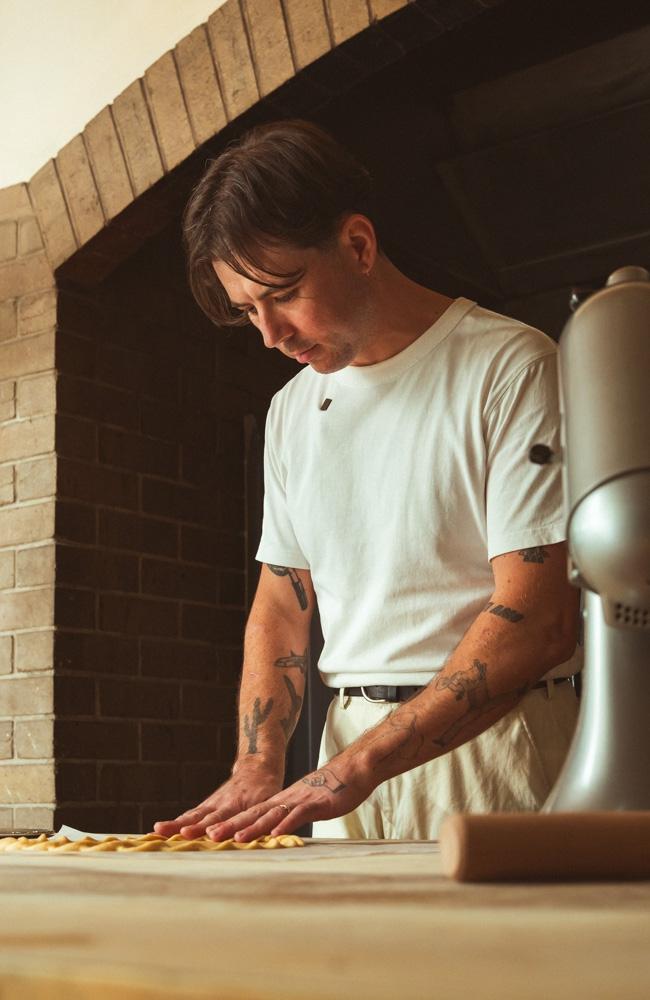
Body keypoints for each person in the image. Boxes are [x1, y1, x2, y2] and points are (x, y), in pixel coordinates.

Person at [154, 119, 581, 844]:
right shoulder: (290, 411)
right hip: (343, 762)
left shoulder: (511, 367)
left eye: (282, 294)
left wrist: (359, 767)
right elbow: (282, 606)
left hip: (492, 754)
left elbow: (538, 620)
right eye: (247, 311)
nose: (269, 335)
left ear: (357, 245)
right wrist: (259, 764)